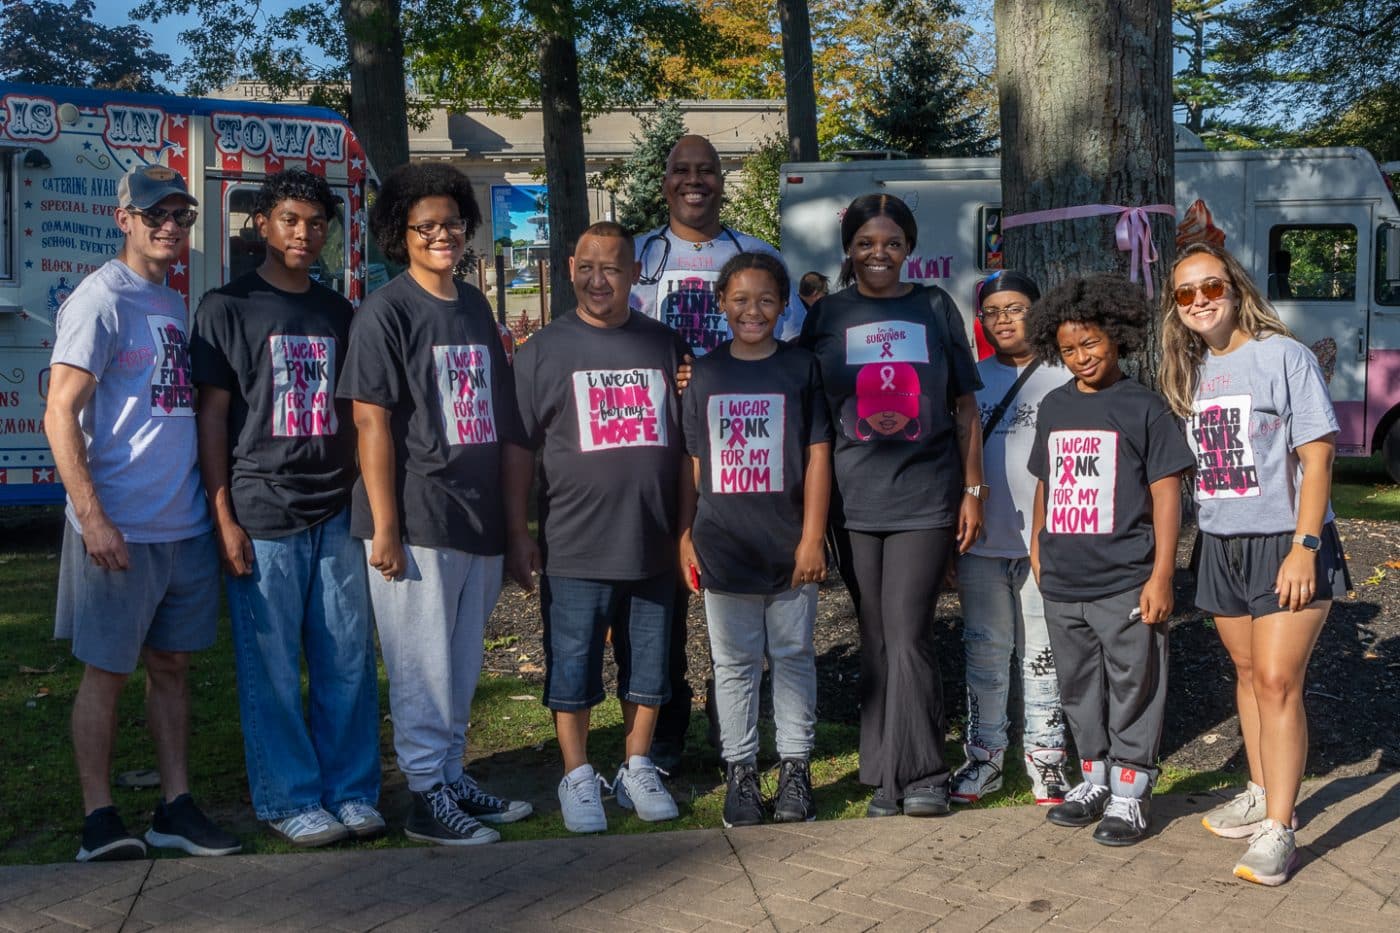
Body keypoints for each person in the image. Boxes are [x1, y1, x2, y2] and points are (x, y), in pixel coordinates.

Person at [47, 165, 240, 861]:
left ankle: (174, 807)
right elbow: (59, 412)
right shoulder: (101, 299)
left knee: (172, 667)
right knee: (107, 670)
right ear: (123, 218)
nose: (170, 227)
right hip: (121, 528)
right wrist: (92, 515)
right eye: (155, 214)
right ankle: (99, 818)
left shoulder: (166, 300)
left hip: (180, 523)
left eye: (181, 217)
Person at [337, 163, 533, 846]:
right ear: (402, 233)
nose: (442, 234)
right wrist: (385, 526)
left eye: (451, 221)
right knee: (421, 667)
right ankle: (424, 795)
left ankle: (451, 775)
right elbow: (371, 422)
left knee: (460, 664)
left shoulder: (475, 305)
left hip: (474, 516)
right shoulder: (385, 312)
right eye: (427, 226)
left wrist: (513, 529)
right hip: (415, 518)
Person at [191, 169, 382, 847]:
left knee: (347, 658)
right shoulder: (226, 307)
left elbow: (362, 416)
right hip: (261, 512)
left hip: (335, 509)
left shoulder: (339, 312)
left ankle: (353, 788)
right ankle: (289, 796)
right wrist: (223, 517)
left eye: (317, 222)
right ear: (264, 225)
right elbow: (210, 421)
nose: (306, 233)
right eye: (292, 220)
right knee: (271, 667)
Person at [1161, 242, 1348, 886]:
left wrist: (1305, 546)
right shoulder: (1190, 372)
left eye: (1211, 286)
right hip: (1220, 543)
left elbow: (1318, 459)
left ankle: (1281, 827)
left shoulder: (1283, 357)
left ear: (1235, 288)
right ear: (1175, 307)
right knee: (1245, 673)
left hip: (1286, 542)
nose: (1200, 300)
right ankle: (1260, 788)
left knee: (1277, 681)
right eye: (1185, 293)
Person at [799, 193, 984, 818]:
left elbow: (964, 406)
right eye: (866, 244)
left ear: (909, 248)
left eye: (892, 242)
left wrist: (972, 489)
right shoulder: (826, 315)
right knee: (876, 635)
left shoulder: (934, 306)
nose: (879, 254)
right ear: (848, 250)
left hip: (924, 497)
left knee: (907, 632)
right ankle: (879, 761)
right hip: (851, 503)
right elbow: (809, 411)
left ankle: (921, 773)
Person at [504, 221, 688, 834]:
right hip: (575, 543)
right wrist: (519, 531)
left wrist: (686, 529)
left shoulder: (664, 345)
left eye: (610, 267)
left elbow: (686, 442)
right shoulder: (543, 351)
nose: (597, 279)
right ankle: (578, 774)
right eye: (586, 266)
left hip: (653, 542)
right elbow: (519, 450)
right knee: (572, 666)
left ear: (634, 273)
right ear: (569, 267)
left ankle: (637, 765)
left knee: (652, 665)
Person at [631, 134, 806, 771]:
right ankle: (667, 729)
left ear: (723, 180)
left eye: (707, 170)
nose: (694, 180)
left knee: (738, 587)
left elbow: (787, 346)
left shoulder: (754, 255)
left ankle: (737, 726)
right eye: (683, 170)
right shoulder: (641, 256)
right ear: (666, 180)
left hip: (741, 451)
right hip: (654, 445)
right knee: (667, 595)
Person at [1026, 274, 1195, 847]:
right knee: (1077, 685)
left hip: (1126, 579)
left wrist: (1163, 574)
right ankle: (1093, 777)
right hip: (1063, 577)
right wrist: (1037, 546)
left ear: (1117, 337)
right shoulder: (1053, 405)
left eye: (1091, 343)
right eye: (1069, 349)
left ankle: (1131, 789)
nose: (1081, 357)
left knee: (1134, 683)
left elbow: (1168, 493)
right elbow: (1047, 484)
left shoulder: (1143, 407)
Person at [677, 253, 832, 827]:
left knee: (792, 658)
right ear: (721, 303)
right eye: (740, 299)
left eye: (766, 300)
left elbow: (818, 455)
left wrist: (812, 536)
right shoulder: (708, 373)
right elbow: (694, 464)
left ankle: (795, 768)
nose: (753, 311)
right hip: (723, 546)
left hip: (790, 545)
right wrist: (686, 534)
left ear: (784, 303)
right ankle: (740, 772)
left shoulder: (800, 369)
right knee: (734, 664)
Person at [952, 271, 1071, 806]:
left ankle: (1047, 759)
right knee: (985, 653)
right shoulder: (971, 381)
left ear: (1037, 313)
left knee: (1043, 656)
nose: (1003, 319)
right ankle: (984, 758)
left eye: (1015, 307)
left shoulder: (1065, 375)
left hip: (1044, 547)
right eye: (992, 310)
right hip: (983, 544)